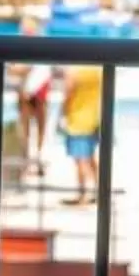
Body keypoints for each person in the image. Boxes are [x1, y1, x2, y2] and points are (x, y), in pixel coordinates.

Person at [60, 66, 104, 202]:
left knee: (80, 159)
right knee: (91, 157)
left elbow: (68, 93)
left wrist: (62, 113)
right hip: (94, 117)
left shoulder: (73, 71)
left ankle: (83, 193)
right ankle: (99, 190)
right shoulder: (97, 70)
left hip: (77, 119)